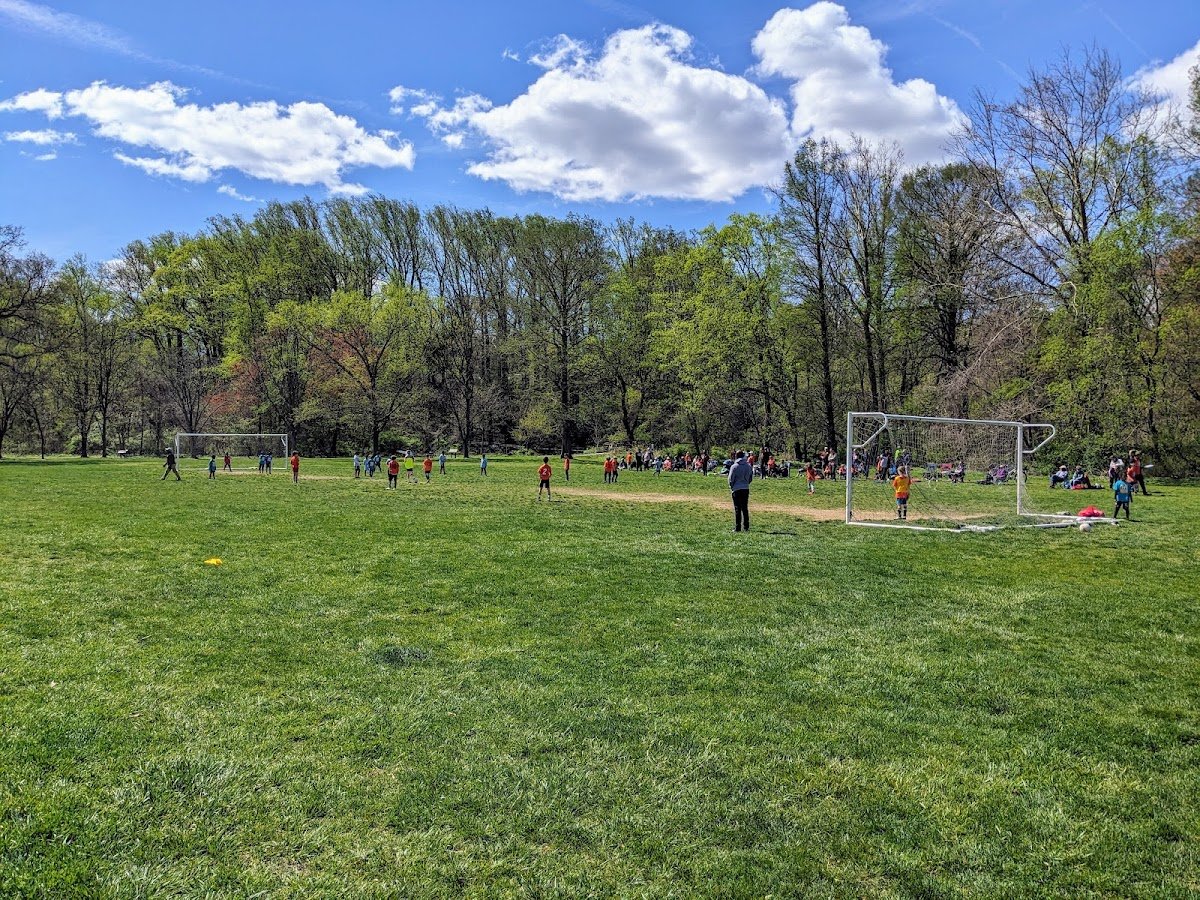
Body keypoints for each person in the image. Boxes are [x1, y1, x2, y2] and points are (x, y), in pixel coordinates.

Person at [728, 450, 753, 532]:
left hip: (736, 488)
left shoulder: (734, 466)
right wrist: (746, 483)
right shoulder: (748, 466)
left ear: (736, 456)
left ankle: (738, 527)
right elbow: (750, 478)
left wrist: (732, 487)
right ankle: (746, 527)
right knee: (745, 508)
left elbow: (730, 479)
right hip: (745, 488)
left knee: (737, 508)